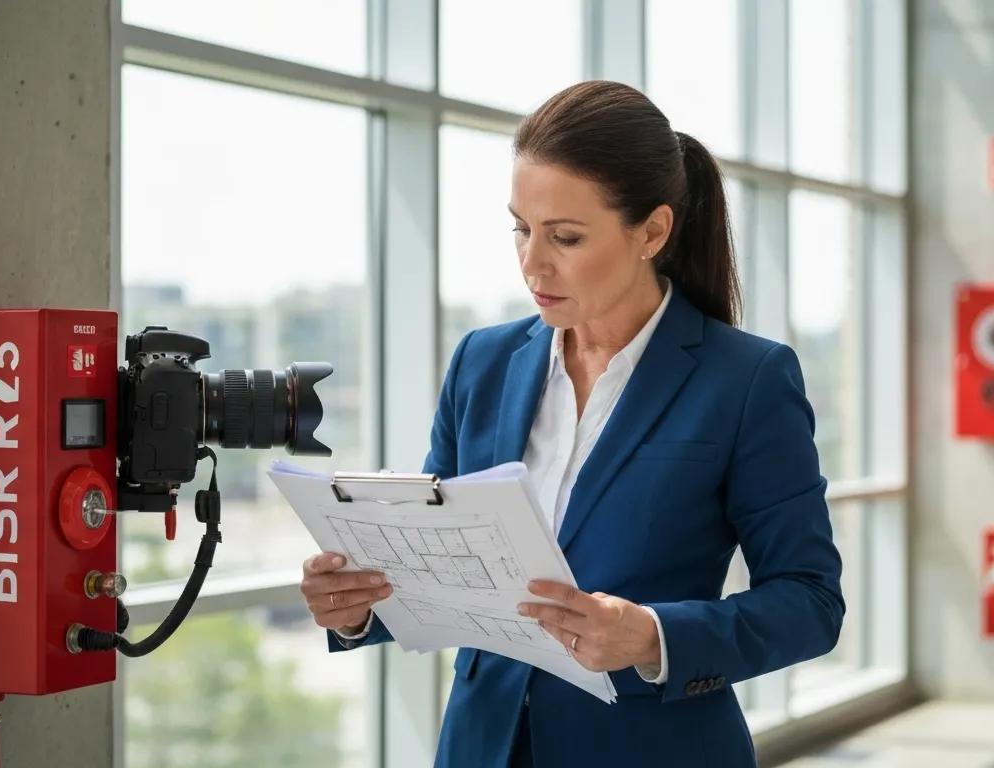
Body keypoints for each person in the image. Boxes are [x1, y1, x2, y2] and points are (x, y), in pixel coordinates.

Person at [300, 80, 845, 767]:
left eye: (565, 237)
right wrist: (358, 606)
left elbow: (810, 602)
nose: (532, 263)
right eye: (521, 230)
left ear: (652, 231)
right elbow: (440, 562)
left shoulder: (746, 381)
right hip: (482, 745)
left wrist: (651, 636)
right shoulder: (482, 362)